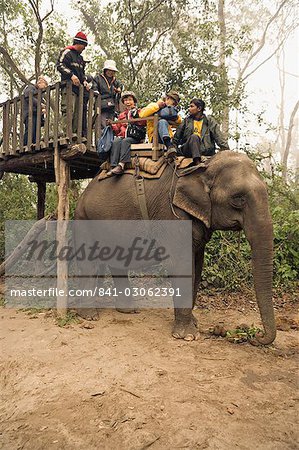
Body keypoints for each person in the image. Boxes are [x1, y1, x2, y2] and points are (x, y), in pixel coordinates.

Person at [173, 98, 230, 164]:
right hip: (189, 150)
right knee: (194, 137)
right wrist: (174, 151)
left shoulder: (210, 121)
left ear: (199, 108)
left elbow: (219, 137)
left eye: (191, 106)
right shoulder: (186, 121)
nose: (189, 109)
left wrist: (228, 152)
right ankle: (197, 162)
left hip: (205, 151)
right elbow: (176, 138)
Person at [56, 31, 90, 137]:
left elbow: (82, 73)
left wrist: (84, 81)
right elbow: (59, 65)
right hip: (68, 87)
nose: (84, 48)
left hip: (78, 89)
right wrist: (71, 75)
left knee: (77, 113)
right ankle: (67, 133)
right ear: (78, 43)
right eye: (83, 45)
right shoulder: (67, 52)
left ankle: (75, 134)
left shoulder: (80, 58)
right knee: (68, 110)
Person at [106, 91, 146, 175]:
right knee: (116, 140)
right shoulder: (122, 115)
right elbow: (117, 130)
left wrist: (135, 116)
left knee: (125, 141)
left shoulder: (139, 111)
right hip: (124, 136)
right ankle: (113, 166)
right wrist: (112, 124)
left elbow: (143, 123)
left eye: (130, 100)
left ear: (134, 101)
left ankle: (121, 165)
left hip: (135, 136)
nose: (128, 102)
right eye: (125, 100)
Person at [138, 91, 182, 157]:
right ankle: (169, 146)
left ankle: (170, 146)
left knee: (164, 122)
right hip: (155, 137)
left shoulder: (169, 112)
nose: (173, 106)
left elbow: (180, 123)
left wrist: (175, 117)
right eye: (173, 103)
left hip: (168, 137)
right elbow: (142, 115)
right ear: (167, 99)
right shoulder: (154, 105)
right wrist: (157, 105)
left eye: (175, 104)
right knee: (162, 121)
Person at [92, 60, 123, 129]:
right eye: (109, 70)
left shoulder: (115, 81)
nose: (111, 72)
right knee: (103, 125)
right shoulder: (98, 78)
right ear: (105, 70)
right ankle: (102, 138)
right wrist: (96, 92)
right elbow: (94, 87)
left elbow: (120, 86)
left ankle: (109, 138)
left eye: (112, 71)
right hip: (102, 105)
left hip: (112, 106)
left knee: (111, 125)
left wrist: (119, 89)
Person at [23, 76, 48, 147]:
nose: (44, 88)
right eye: (44, 86)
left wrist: (42, 116)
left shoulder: (40, 95)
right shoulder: (31, 88)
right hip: (30, 113)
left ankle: (33, 145)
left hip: (36, 115)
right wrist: (40, 104)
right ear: (40, 83)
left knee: (36, 132)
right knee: (30, 130)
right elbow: (28, 96)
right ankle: (25, 146)